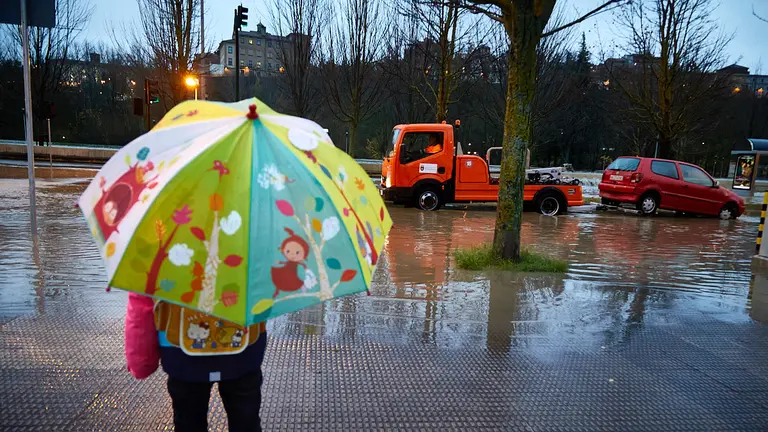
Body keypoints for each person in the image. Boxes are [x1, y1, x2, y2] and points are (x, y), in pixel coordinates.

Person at [125, 293, 267, 432]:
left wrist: (142, 361)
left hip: (182, 353)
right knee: (245, 419)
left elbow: (141, 303)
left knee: (189, 421)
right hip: (244, 348)